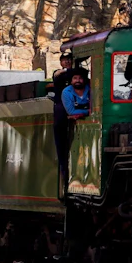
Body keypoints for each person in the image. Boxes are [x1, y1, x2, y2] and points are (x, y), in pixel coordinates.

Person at [51, 49, 76, 180]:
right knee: (60, 136)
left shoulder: (76, 74)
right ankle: (63, 169)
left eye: (69, 59)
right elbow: (57, 74)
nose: (67, 62)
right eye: (64, 60)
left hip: (75, 105)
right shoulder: (59, 73)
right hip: (61, 107)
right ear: (61, 62)